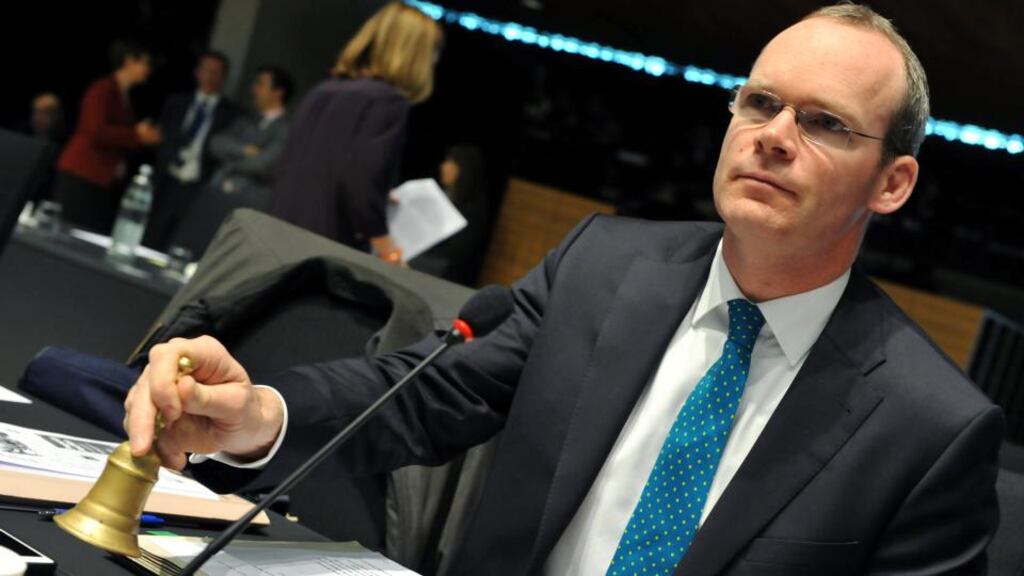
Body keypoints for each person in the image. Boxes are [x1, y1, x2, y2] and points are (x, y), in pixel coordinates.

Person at [125, 5, 1003, 575]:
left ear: (892, 184)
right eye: (759, 103)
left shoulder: (929, 429)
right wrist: (256, 415)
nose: (774, 137)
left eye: (823, 124)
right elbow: (425, 394)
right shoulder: (602, 266)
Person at [266, 2, 443, 265]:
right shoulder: (388, 102)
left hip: (276, 230)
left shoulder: (324, 90)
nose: (434, 59)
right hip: (324, 247)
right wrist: (387, 249)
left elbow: (309, 164)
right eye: (433, 50)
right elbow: (360, 182)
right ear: (414, 52)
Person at [169, 66, 293, 256]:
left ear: (278, 92)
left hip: (248, 204)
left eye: (261, 84)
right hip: (217, 196)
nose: (254, 89)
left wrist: (229, 162)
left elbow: (265, 164)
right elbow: (216, 143)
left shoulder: (287, 129)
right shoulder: (246, 119)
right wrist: (244, 150)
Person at [53, 40, 161, 232]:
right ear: (129, 61)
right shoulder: (103, 89)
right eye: (145, 63)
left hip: (99, 178)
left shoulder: (123, 96)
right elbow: (95, 131)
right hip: (82, 173)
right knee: (67, 230)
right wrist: (137, 135)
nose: (148, 70)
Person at [144, 51, 240, 250]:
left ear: (223, 77)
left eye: (216, 72)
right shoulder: (176, 102)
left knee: (181, 243)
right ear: (197, 73)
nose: (210, 77)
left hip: (198, 186)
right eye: (206, 70)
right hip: (167, 179)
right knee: (152, 236)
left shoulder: (231, 114)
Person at [411, 145, 491, 285]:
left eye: (450, 162)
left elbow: (457, 252)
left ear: (463, 168)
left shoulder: (470, 210)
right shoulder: (437, 196)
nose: (443, 166)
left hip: (436, 273)